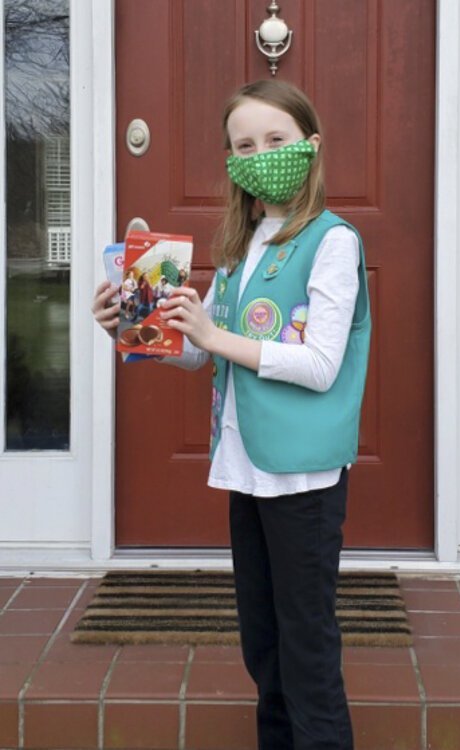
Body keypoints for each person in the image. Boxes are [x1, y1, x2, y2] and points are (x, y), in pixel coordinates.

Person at [92, 79, 371, 750]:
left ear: (310, 147)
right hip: (247, 468)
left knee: (306, 648)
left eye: (276, 139)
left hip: (302, 477)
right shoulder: (243, 246)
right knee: (264, 644)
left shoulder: (334, 242)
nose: (261, 153)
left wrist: (214, 338)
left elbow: (320, 364)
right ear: (232, 161)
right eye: (245, 144)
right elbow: (201, 355)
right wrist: (137, 331)